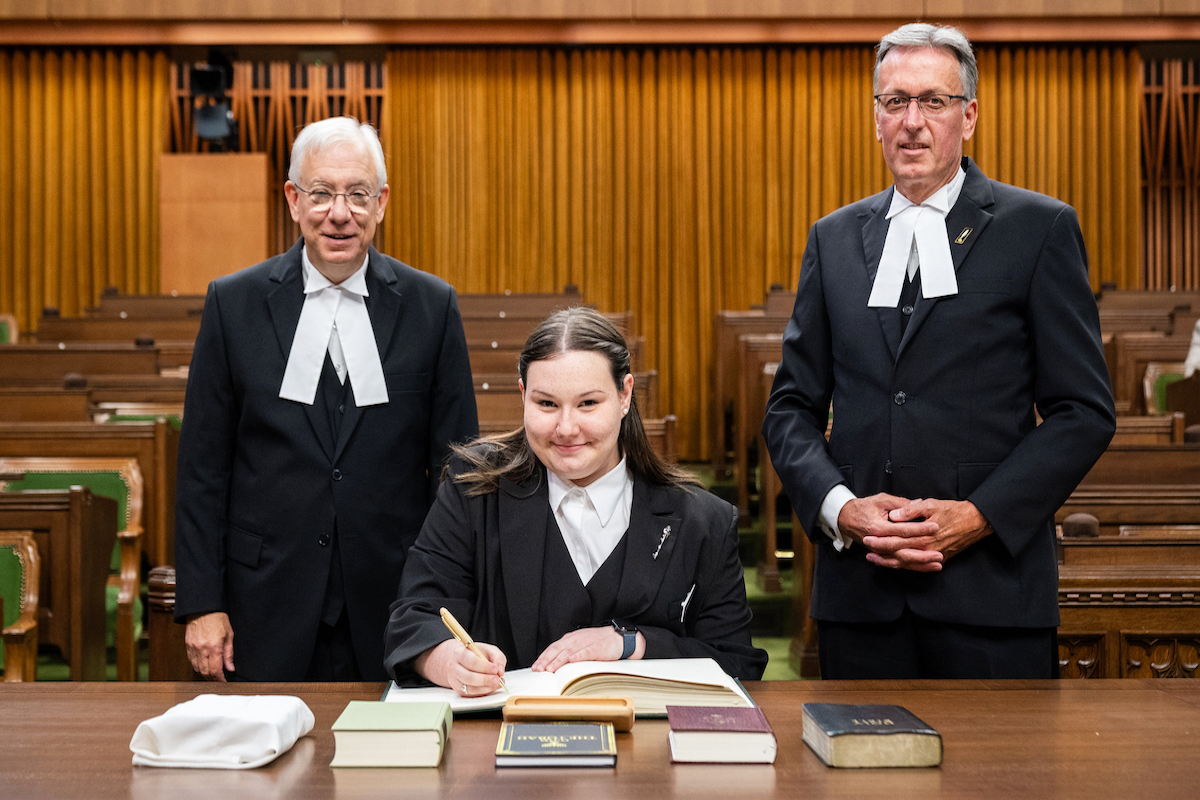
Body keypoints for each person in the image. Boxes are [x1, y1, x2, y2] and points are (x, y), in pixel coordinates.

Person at [762, 23, 1116, 679]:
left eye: (934, 101)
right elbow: (789, 409)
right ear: (876, 118)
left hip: (991, 600)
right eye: (895, 102)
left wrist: (977, 517)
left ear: (969, 114)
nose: (913, 123)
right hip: (860, 600)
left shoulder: (1039, 229)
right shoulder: (834, 239)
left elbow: (1082, 411)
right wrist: (843, 509)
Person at [174, 117, 478, 681]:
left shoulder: (431, 307)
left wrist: (447, 600)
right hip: (262, 603)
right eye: (321, 193)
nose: (340, 213)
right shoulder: (232, 304)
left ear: (381, 202)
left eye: (358, 194)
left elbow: (455, 473)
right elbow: (201, 470)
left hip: (395, 604)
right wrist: (201, 603)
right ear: (293, 199)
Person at [384, 307, 766, 693]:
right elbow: (413, 620)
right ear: (523, 395)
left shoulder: (705, 521)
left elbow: (736, 662)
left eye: (588, 404)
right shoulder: (472, 490)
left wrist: (631, 644)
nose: (566, 429)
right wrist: (449, 661)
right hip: (502, 740)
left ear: (625, 394)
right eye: (546, 404)